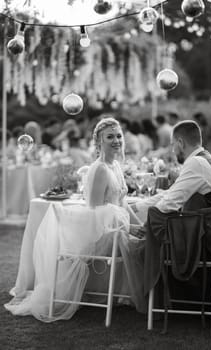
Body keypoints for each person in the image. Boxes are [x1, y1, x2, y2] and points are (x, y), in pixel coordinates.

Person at [5, 116, 146, 322]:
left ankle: (148, 297)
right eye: (110, 137)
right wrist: (128, 229)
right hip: (101, 235)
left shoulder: (115, 165)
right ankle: (147, 300)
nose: (116, 140)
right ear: (99, 142)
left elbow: (121, 204)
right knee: (142, 245)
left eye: (118, 136)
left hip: (115, 229)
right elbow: (99, 213)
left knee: (148, 236)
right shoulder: (99, 169)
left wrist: (138, 225)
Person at [131, 119, 211, 229]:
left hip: (205, 238)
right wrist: (136, 207)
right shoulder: (205, 158)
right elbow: (171, 193)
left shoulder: (196, 163)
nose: (173, 151)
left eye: (173, 145)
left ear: (181, 143)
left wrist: (145, 226)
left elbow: (170, 202)